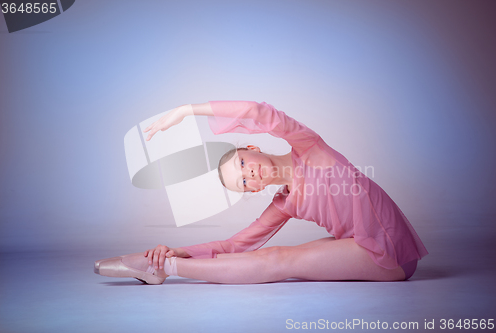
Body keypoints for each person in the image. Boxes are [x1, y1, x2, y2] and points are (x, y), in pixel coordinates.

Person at [94, 101, 428, 284]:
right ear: (251, 189)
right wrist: (181, 250)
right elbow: (235, 245)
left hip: (390, 253)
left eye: (241, 163)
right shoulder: (285, 203)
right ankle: (167, 264)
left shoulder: (309, 148)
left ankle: (162, 270)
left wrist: (186, 111)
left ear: (251, 147)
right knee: (260, 254)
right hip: (360, 246)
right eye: (242, 182)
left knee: (279, 259)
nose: (248, 174)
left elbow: (258, 112)